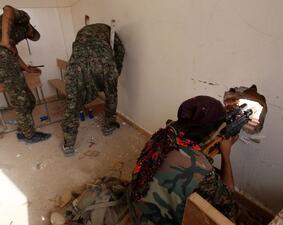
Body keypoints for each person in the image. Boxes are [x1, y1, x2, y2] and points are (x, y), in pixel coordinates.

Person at [129, 96, 238, 225]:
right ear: (210, 134)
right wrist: (226, 154)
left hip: (134, 205)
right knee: (230, 210)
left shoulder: (162, 136)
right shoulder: (202, 170)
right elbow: (228, 195)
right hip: (149, 221)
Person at [61, 23, 125, 156]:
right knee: (111, 94)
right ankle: (108, 126)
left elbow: (75, 48)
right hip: (104, 62)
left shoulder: (81, 31)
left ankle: (69, 144)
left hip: (77, 63)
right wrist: (116, 70)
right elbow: (120, 50)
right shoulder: (109, 30)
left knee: (72, 102)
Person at [0, 5, 51, 143]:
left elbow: (14, 53)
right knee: (21, 101)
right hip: (2, 59)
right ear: (30, 29)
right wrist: (4, 39)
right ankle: (29, 135)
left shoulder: (10, 36)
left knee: (29, 100)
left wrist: (27, 68)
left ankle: (24, 129)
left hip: (6, 58)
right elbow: (7, 9)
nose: (26, 38)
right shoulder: (24, 18)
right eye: (30, 36)